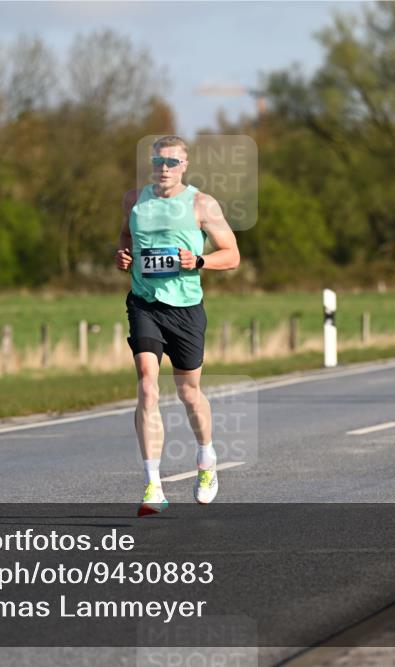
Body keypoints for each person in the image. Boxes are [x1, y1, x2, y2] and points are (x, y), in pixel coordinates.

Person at [115, 136, 240, 516]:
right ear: (150, 164)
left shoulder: (202, 204)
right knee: (148, 387)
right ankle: (153, 484)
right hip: (145, 303)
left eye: (172, 162)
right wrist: (122, 255)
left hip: (185, 307)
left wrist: (198, 262)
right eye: (158, 161)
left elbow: (232, 254)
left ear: (184, 165)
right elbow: (124, 235)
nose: (164, 168)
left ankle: (206, 457)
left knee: (189, 393)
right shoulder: (134, 200)